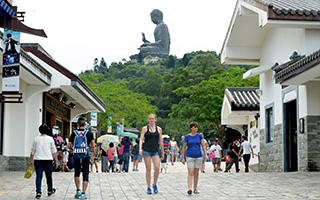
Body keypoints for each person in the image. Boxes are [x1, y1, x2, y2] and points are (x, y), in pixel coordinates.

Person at [68, 117, 95, 199]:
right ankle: (83, 193)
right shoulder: (89, 134)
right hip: (85, 155)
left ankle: (78, 190)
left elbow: (69, 145)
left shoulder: (74, 133)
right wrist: (89, 147)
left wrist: (73, 150)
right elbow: (93, 145)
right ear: (85, 125)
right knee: (85, 173)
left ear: (78, 124)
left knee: (77, 172)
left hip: (76, 155)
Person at [29, 124, 58, 199]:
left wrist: (30, 161)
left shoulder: (36, 139)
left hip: (38, 160)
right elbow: (54, 151)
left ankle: (38, 192)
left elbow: (32, 151)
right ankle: (50, 190)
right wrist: (56, 161)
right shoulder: (50, 139)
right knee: (49, 176)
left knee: (39, 176)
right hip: (48, 160)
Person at [139, 114, 164, 194]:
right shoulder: (145, 128)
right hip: (147, 150)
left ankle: (154, 184)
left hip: (155, 150)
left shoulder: (159, 129)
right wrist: (140, 148)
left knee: (157, 168)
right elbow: (141, 139)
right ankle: (149, 187)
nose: (151, 120)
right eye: (150, 118)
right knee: (148, 169)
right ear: (148, 120)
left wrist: (163, 151)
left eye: (152, 118)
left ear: (155, 119)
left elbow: (161, 141)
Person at [182, 122, 208, 195]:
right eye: (194, 127)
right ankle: (189, 188)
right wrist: (183, 158)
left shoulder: (199, 136)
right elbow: (184, 147)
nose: (196, 128)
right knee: (190, 172)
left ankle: (195, 188)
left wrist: (206, 154)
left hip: (198, 156)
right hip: (190, 156)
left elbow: (203, 146)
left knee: (196, 173)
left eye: (197, 127)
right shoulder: (187, 137)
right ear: (191, 128)